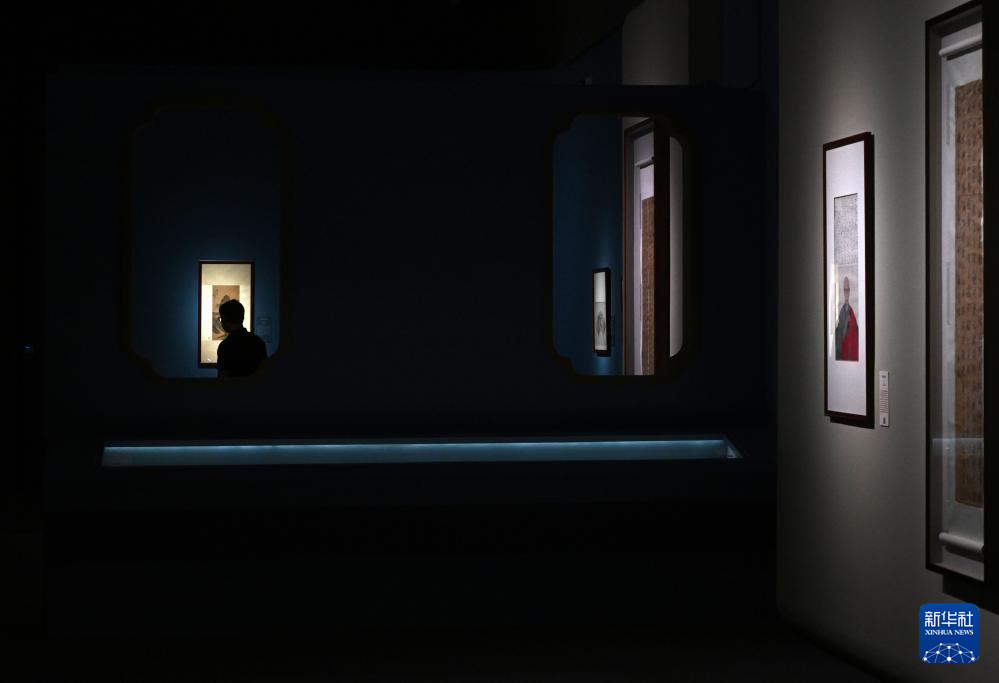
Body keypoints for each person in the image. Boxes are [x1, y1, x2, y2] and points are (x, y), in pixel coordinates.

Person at [216, 299, 267, 378]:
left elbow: (223, 378)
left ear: (225, 320)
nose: (221, 321)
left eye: (221, 318)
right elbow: (264, 373)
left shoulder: (225, 346)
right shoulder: (258, 342)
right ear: (242, 318)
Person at [834, 276, 859, 361]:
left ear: (850, 291)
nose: (846, 293)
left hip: (853, 354)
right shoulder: (841, 310)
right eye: (845, 290)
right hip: (843, 354)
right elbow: (839, 333)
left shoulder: (854, 310)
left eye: (848, 290)